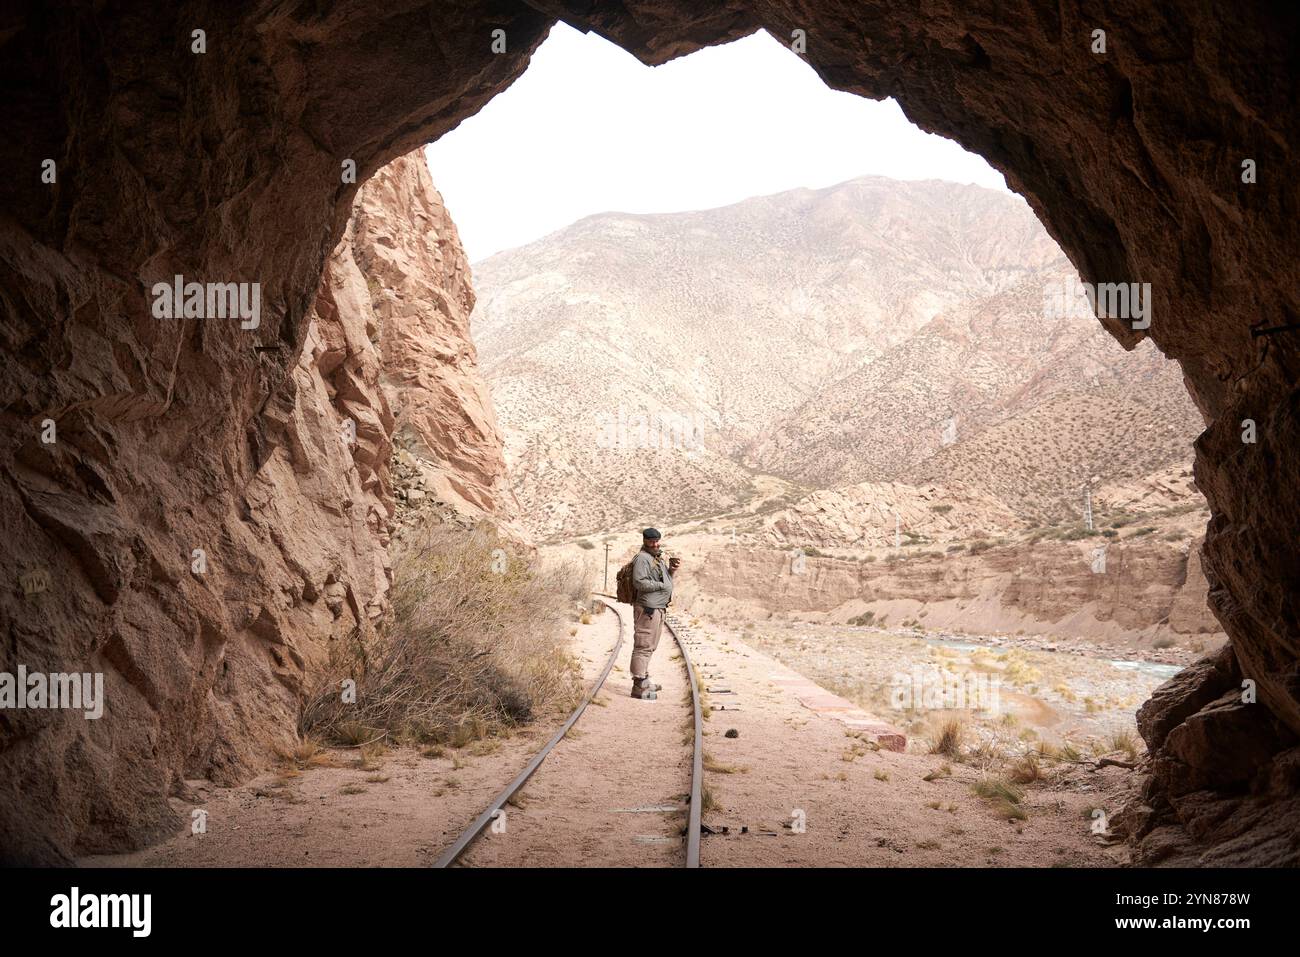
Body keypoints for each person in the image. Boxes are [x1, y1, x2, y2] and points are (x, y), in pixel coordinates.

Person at [629, 527, 680, 700]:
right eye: (652, 541)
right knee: (643, 645)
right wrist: (661, 586)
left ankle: (644, 680)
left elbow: (662, 580)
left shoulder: (655, 558)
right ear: (645, 541)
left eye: (657, 541)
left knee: (650, 646)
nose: (655, 544)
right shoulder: (643, 559)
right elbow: (639, 582)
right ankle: (638, 686)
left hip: (657, 608)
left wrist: (671, 571)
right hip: (647, 609)